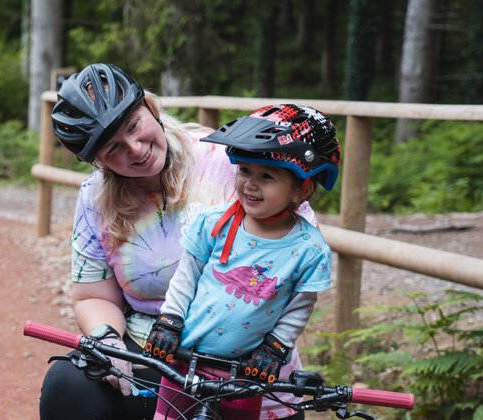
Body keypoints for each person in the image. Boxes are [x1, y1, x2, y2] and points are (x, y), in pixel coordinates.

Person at [38, 63, 313, 420]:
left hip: (246, 363)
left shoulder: (233, 164)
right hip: (154, 358)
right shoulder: (95, 198)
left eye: (134, 127)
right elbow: (93, 295)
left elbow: (300, 258)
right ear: (99, 163)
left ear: (150, 107)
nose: (135, 149)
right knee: (69, 385)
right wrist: (108, 342)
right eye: (113, 150)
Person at [145, 104, 341, 419]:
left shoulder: (309, 248)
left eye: (267, 176)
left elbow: (299, 305)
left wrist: (275, 348)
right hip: (185, 359)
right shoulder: (213, 223)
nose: (250, 184)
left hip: (245, 374)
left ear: (301, 189)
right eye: (245, 170)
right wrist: (169, 321)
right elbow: (187, 277)